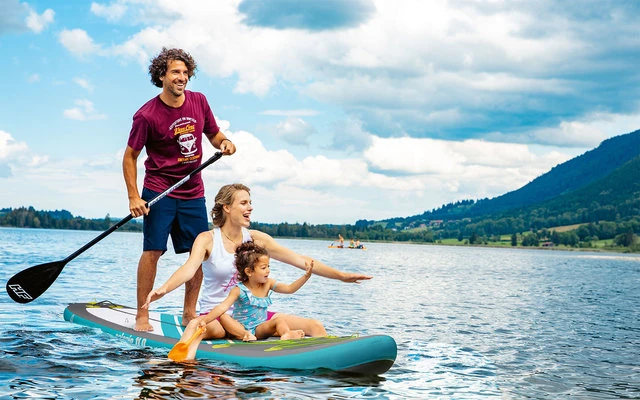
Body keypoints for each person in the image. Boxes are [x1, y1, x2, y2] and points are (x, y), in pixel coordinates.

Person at [142, 183, 372, 339]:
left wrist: (341, 276)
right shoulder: (208, 239)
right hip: (218, 317)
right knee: (216, 332)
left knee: (314, 325)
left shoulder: (256, 239)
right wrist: (163, 289)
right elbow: (188, 269)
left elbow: (301, 261)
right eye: (243, 203)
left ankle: (326, 363)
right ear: (227, 207)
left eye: (250, 202)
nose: (250, 207)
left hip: (252, 317)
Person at [123, 47, 236, 331]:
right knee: (153, 251)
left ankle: (189, 314)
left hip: (192, 191)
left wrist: (224, 142)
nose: (182, 77)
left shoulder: (199, 101)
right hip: (159, 190)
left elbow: (213, 134)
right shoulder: (146, 115)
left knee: (199, 252)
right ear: (161, 75)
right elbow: (130, 157)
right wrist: (134, 196)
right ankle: (142, 315)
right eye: (175, 72)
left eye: (185, 72)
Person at [173, 241, 324, 360]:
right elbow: (223, 307)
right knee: (224, 316)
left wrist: (305, 277)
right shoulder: (238, 289)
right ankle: (245, 335)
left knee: (279, 320)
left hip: (259, 328)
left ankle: (287, 334)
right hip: (240, 327)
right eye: (263, 267)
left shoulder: (268, 284)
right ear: (249, 271)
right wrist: (205, 320)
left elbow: (290, 289)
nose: (268, 270)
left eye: (268, 266)